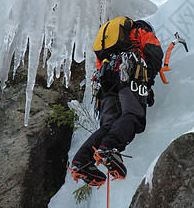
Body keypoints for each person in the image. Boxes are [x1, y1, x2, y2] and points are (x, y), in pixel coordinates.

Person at [70, 18, 163, 187]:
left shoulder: (108, 43)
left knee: (108, 125)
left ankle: (81, 162)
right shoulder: (140, 31)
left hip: (104, 80)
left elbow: (100, 66)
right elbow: (154, 52)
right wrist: (147, 81)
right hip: (129, 70)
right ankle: (108, 148)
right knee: (133, 115)